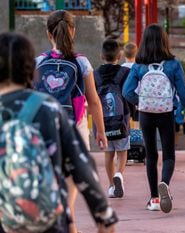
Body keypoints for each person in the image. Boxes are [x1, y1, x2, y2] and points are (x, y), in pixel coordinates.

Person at [0, 32, 117, 233]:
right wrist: (103, 215)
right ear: (30, 68)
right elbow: (81, 164)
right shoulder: (49, 109)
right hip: (48, 218)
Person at [34, 10, 107, 233]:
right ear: (73, 31)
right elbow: (93, 101)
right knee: (72, 185)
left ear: (49, 34)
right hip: (75, 127)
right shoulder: (81, 62)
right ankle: (70, 222)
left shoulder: (38, 62)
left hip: (44, 130)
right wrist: (101, 131)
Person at [122, 24, 185, 213]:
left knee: (151, 155)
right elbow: (184, 92)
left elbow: (126, 91)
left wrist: (140, 102)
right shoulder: (173, 64)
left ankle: (154, 199)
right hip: (166, 113)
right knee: (168, 154)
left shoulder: (138, 65)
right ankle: (165, 183)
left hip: (146, 114)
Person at [95, 39, 131, 198]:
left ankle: (111, 186)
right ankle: (119, 174)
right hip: (122, 120)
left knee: (108, 154)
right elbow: (129, 93)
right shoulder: (125, 73)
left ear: (101, 55)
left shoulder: (95, 74)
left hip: (102, 122)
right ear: (119, 55)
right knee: (122, 151)